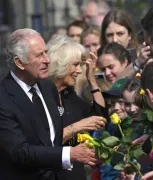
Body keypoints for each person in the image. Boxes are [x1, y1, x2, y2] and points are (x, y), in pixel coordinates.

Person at [0, 28, 99, 180]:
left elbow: (53, 138)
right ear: (19, 62)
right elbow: (20, 151)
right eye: (39, 55)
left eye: (46, 52)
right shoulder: (4, 98)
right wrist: (69, 154)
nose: (47, 59)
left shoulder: (48, 88)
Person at [47, 35, 107, 180]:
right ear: (60, 64)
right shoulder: (41, 96)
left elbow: (99, 116)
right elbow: (44, 142)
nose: (79, 71)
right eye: (75, 65)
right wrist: (77, 127)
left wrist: (92, 79)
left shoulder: (68, 94)